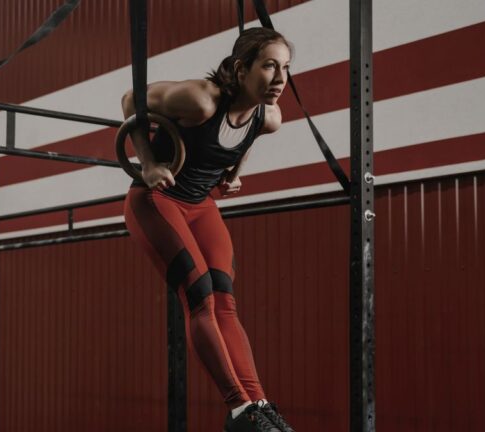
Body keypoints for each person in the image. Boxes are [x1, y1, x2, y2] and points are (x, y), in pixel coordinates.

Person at [121, 27, 296, 432]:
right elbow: (131, 101)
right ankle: (239, 408)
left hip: (201, 205)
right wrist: (147, 163)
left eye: (285, 68)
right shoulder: (201, 100)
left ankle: (258, 403)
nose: (280, 79)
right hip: (157, 201)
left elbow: (246, 137)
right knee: (199, 298)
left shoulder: (268, 118)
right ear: (240, 68)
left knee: (225, 302)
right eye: (269, 66)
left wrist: (234, 171)